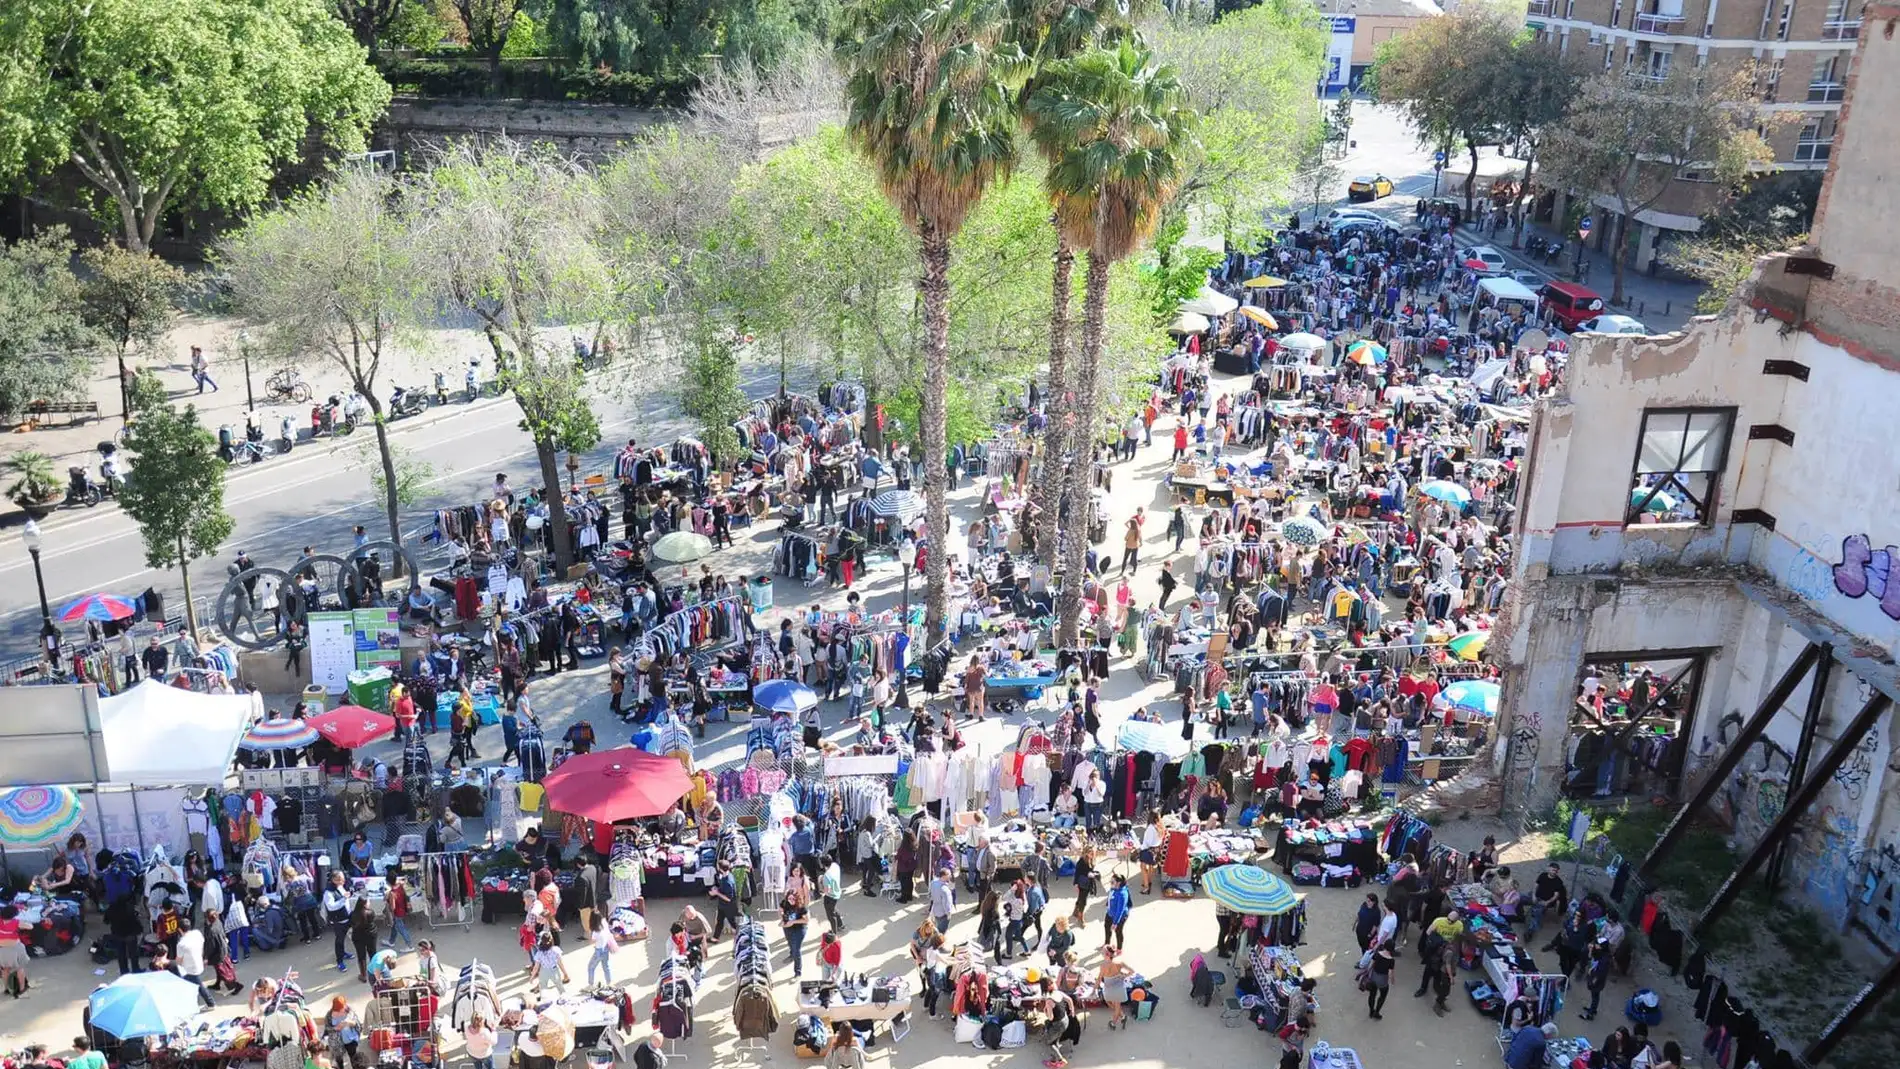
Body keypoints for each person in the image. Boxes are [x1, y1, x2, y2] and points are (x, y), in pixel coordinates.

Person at [175, 917, 215, 1008]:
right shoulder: (197, 934)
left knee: (196, 986)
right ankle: (207, 1003)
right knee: (197, 984)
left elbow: (179, 960)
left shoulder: (181, 944)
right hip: (198, 962)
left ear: (180, 930)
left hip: (189, 969)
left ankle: (208, 1003)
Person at [322, 871, 356, 973]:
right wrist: (343, 899)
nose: (343, 880)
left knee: (348, 936)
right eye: (340, 879)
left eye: (343, 878)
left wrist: (348, 895)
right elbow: (331, 907)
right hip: (339, 921)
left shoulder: (340, 886)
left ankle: (343, 953)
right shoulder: (328, 893)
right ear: (333, 880)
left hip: (347, 916)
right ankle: (340, 961)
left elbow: (345, 899)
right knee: (339, 941)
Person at [780, 866, 811, 976]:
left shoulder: (801, 907)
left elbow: (806, 920)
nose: (791, 901)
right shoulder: (785, 903)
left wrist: (793, 922)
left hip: (799, 927)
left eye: (793, 899)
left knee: (797, 948)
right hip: (788, 926)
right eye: (789, 899)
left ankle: (798, 972)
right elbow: (781, 910)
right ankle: (791, 954)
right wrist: (783, 918)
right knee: (790, 943)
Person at [1098, 945, 1134, 1030]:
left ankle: (1113, 1023)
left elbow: (1099, 978)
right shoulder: (1118, 963)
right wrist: (1124, 975)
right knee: (1111, 1003)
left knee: (1115, 1005)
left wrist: (1094, 988)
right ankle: (1123, 1016)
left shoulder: (1103, 965)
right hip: (1116, 987)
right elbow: (1132, 971)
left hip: (1113, 988)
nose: (1101, 953)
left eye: (1102, 952)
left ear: (1107, 954)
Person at [323, 996, 362, 1069]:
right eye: (339, 1009)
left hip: (350, 1040)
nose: (341, 1010)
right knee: (339, 1061)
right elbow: (327, 1028)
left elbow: (357, 1024)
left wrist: (349, 1022)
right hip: (336, 1043)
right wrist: (335, 1028)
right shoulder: (329, 1015)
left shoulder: (349, 1010)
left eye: (342, 1008)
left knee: (354, 1058)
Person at [349, 897, 379, 984]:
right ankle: (375, 972)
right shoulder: (370, 912)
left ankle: (363, 975)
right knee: (373, 953)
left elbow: (351, 923)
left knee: (361, 956)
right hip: (371, 935)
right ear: (365, 904)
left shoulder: (353, 914)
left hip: (358, 937)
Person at [1530, 863, 1566, 933]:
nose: (1554, 872)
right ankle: (1518, 916)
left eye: (1556, 871)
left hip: (1546, 901)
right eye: (1553, 870)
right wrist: (1533, 895)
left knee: (1537, 911)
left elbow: (1556, 896)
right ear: (1549, 868)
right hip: (1536, 897)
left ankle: (1530, 931)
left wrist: (1547, 902)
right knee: (1520, 897)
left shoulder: (1558, 881)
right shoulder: (1543, 875)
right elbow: (1535, 886)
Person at [587, 911, 619, 987]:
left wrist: (589, 934)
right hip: (605, 948)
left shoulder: (595, 932)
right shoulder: (604, 924)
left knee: (591, 967)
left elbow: (591, 942)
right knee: (606, 966)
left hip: (598, 951)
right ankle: (609, 983)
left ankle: (591, 985)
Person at [709, 860, 740, 940]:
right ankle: (715, 938)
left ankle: (742, 935)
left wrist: (716, 893)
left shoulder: (727, 881)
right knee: (719, 921)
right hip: (723, 905)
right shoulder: (727, 875)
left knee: (733, 923)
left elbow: (728, 898)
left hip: (728, 907)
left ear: (720, 868)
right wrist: (718, 889)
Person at [1365, 941, 1395, 1018]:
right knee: (1382, 996)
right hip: (1383, 980)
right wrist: (1392, 981)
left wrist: (1368, 974)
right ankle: (1377, 1012)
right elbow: (1390, 973)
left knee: (1372, 995)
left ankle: (1371, 1011)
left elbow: (1370, 965)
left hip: (1374, 977)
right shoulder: (1391, 960)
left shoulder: (1377, 954)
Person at [1103, 874, 1131, 951]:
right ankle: (1107, 943)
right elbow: (1110, 896)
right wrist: (1108, 903)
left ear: (1118, 883)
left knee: (1118, 931)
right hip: (1110, 913)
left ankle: (1119, 949)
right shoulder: (1113, 888)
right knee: (1107, 927)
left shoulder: (1122, 894)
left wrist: (1115, 923)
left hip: (1120, 917)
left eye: (1112, 882)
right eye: (1110, 881)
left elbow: (1120, 911)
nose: (1110, 883)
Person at [1138, 811, 1163, 894]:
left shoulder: (1150, 828)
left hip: (1148, 850)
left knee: (1143, 867)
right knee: (1151, 866)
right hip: (1156, 850)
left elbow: (1147, 843)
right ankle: (1148, 881)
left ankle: (1146, 887)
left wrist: (1139, 849)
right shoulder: (1160, 826)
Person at [821, 853, 846, 934]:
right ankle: (840, 925)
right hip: (837, 892)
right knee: (833, 909)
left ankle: (834, 934)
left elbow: (826, 891)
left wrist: (821, 883)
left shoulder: (826, 876)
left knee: (831, 915)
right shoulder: (835, 866)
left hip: (830, 896)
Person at [928, 867, 955, 937]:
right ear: (944, 876)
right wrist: (948, 913)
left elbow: (930, 895)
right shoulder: (944, 889)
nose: (950, 876)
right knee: (941, 933)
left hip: (935, 911)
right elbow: (946, 903)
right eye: (949, 874)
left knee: (937, 928)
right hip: (943, 914)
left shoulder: (933, 882)